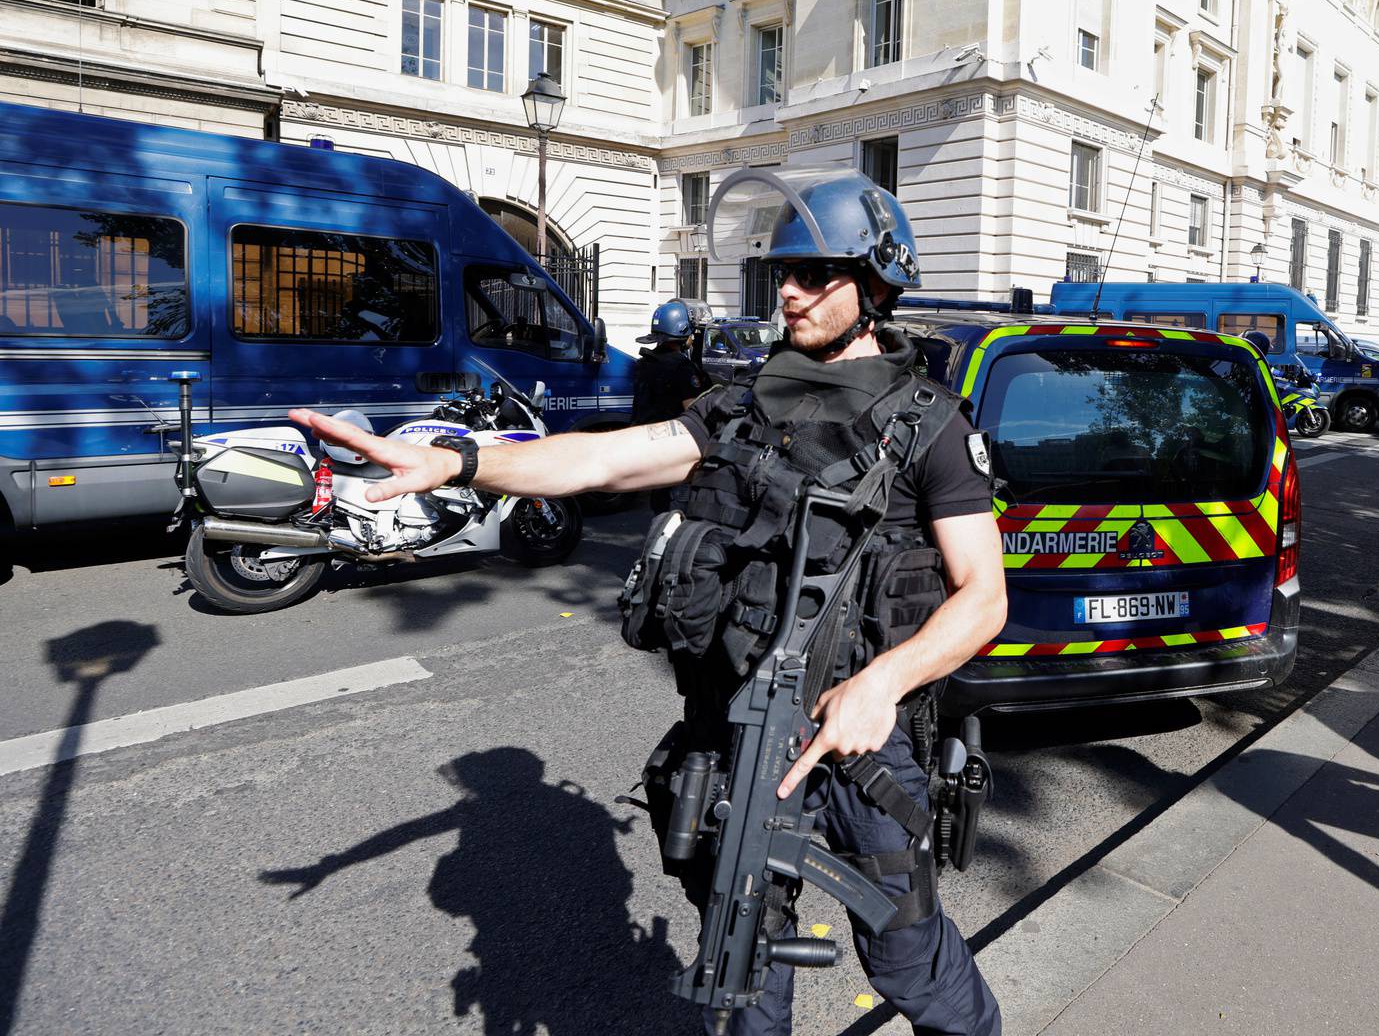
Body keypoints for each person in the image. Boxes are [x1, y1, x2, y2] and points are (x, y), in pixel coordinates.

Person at [288, 169, 1007, 1036]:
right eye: (783, 270)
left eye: (815, 274)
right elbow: (602, 461)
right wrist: (465, 461)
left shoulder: (930, 425)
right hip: (733, 729)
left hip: (860, 745)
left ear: (877, 283)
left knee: (910, 964)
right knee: (741, 965)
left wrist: (882, 684)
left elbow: (982, 600)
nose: (788, 289)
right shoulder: (742, 403)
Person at [630, 299, 712, 514]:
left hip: (649, 440)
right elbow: (693, 409)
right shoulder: (681, 367)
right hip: (674, 444)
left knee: (660, 502)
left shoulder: (646, 361)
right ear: (682, 330)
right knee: (678, 503)